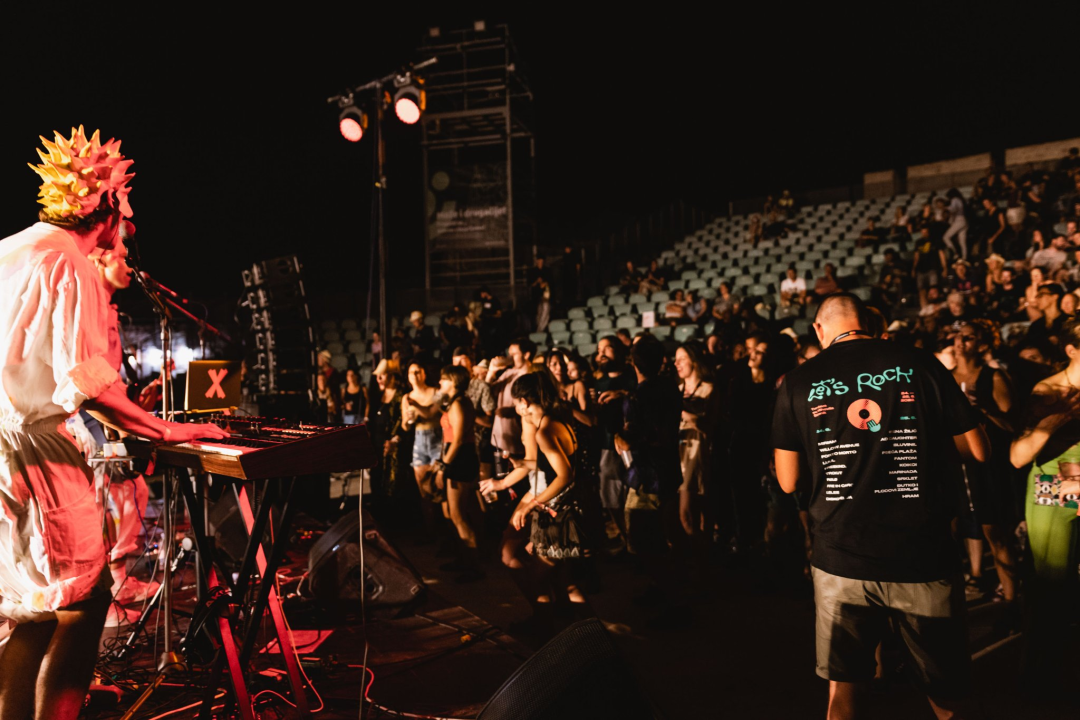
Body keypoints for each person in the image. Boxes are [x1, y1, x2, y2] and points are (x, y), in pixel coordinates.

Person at [0, 126, 227, 720]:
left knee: (31, 610)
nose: (125, 224)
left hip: (3, 451)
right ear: (105, 205)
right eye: (123, 209)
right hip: (41, 451)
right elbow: (89, 384)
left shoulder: (11, 248)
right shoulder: (70, 263)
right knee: (83, 606)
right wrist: (170, 429)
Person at [772, 293, 987, 720]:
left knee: (843, 693)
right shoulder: (920, 363)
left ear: (819, 329)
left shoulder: (798, 381)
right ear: (866, 322)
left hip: (840, 556)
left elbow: (788, 480)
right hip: (921, 553)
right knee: (947, 694)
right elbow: (977, 450)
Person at [483, 371, 585, 630]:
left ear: (525, 402)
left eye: (516, 400)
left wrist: (530, 504)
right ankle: (573, 628)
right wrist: (520, 466)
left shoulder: (545, 430)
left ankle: (553, 631)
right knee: (561, 579)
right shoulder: (553, 422)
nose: (515, 406)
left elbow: (564, 476)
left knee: (543, 579)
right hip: (555, 507)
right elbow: (549, 467)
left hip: (555, 511)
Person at [1009, 318, 1080, 685]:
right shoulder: (1048, 391)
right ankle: (1042, 676)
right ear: (1072, 350)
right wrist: (1052, 424)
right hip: (1054, 495)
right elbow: (1018, 456)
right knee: (1050, 586)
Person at [950, 321, 1020, 613]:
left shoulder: (994, 377)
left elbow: (1013, 424)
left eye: (969, 338)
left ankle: (1012, 602)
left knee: (996, 533)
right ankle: (970, 584)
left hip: (988, 467)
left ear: (982, 344)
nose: (961, 341)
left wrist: (982, 411)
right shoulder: (945, 376)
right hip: (953, 465)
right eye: (958, 336)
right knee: (958, 529)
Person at [434, 365, 483, 582]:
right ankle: (464, 559)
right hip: (456, 458)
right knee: (453, 513)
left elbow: (459, 439)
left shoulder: (459, 403)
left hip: (460, 460)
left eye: (443, 380)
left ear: (453, 381)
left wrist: (443, 467)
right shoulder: (455, 402)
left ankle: (473, 566)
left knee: (458, 516)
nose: (440, 383)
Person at [674, 343, 715, 562]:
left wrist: (677, 408)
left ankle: (702, 562)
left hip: (698, 453)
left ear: (694, 360)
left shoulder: (708, 388)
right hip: (679, 452)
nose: (676, 363)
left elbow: (707, 424)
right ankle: (696, 561)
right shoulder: (678, 389)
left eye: (681, 358)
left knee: (689, 514)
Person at [487, 338, 536, 477]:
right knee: (501, 476)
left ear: (526, 355)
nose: (510, 358)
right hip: (500, 436)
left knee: (517, 479)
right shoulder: (509, 372)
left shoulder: (529, 374)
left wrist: (511, 411)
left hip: (517, 437)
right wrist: (491, 371)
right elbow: (488, 392)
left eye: (514, 354)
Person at [403, 361, 443, 527]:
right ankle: (430, 530)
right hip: (419, 439)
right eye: (411, 372)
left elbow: (431, 413)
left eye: (418, 371)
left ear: (424, 374)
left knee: (440, 485)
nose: (414, 375)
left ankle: (446, 530)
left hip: (436, 438)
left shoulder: (435, 392)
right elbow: (404, 426)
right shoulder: (407, 397)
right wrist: (409, 421)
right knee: (423, 487)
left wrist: (417, 407)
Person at [451, 347, 495, 481]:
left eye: (463, 361)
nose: (458, 365)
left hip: (479, 443)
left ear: (472, 362)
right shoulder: (450, 387)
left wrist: (468, 413)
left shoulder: (481, 386)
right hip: (455, 442)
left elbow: (489, 422)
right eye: (455, 362)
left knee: (482, 483)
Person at [943, 188, 968, 260]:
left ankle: (954, 253)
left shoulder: (955, 200)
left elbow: (953, 209)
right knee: (962, 242)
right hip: (964, 221)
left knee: (946, 237)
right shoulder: (961, 200)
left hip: (959, 220)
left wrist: (945, 208)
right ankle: (964, 258)